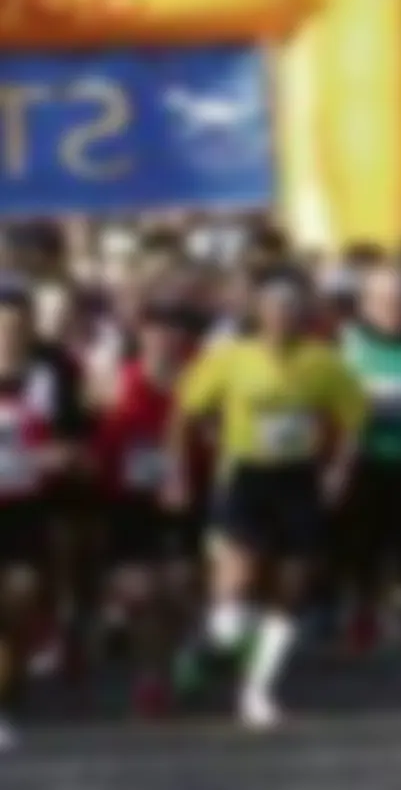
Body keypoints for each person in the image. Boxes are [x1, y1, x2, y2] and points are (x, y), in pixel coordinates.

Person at [166, 268, 366, 729]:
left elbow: (353, 417)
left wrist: (338, 470)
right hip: (247, 477)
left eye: (291, 310)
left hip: (298, 479)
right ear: (259, 314)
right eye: (274, 309)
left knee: (290, 589)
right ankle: (208, 648)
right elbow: (186, 413)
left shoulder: (322, 361)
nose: (282, 318)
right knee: (238, 582)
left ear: (302, 316)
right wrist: (179, 473)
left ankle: (256, 691)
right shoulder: (230, 358)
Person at [93, 302, 199, 716]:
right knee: (143, 591)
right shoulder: (117, 381)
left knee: (179, 587)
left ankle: (179, 654)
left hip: (184, 499)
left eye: (173, 333)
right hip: (127, 502)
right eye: (156, 332)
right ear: (141, 338)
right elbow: (93, 437)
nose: (164, 341)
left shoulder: (197, 382)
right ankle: (150, 676)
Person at [0, 283, 91, 750]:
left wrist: (61, 455)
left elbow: (75, 434)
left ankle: (15, 683)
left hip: (35, 503)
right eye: (2, 326)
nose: (9, 335)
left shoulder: (54, 369)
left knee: (20, 599)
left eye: (18, 325)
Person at [339, 262, 401, 655]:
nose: (392, 309)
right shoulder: (351, 346)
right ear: (366, 304)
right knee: (363, 544)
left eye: (400, 301)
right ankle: (363, 612)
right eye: (382, 301)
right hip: (366, 460)